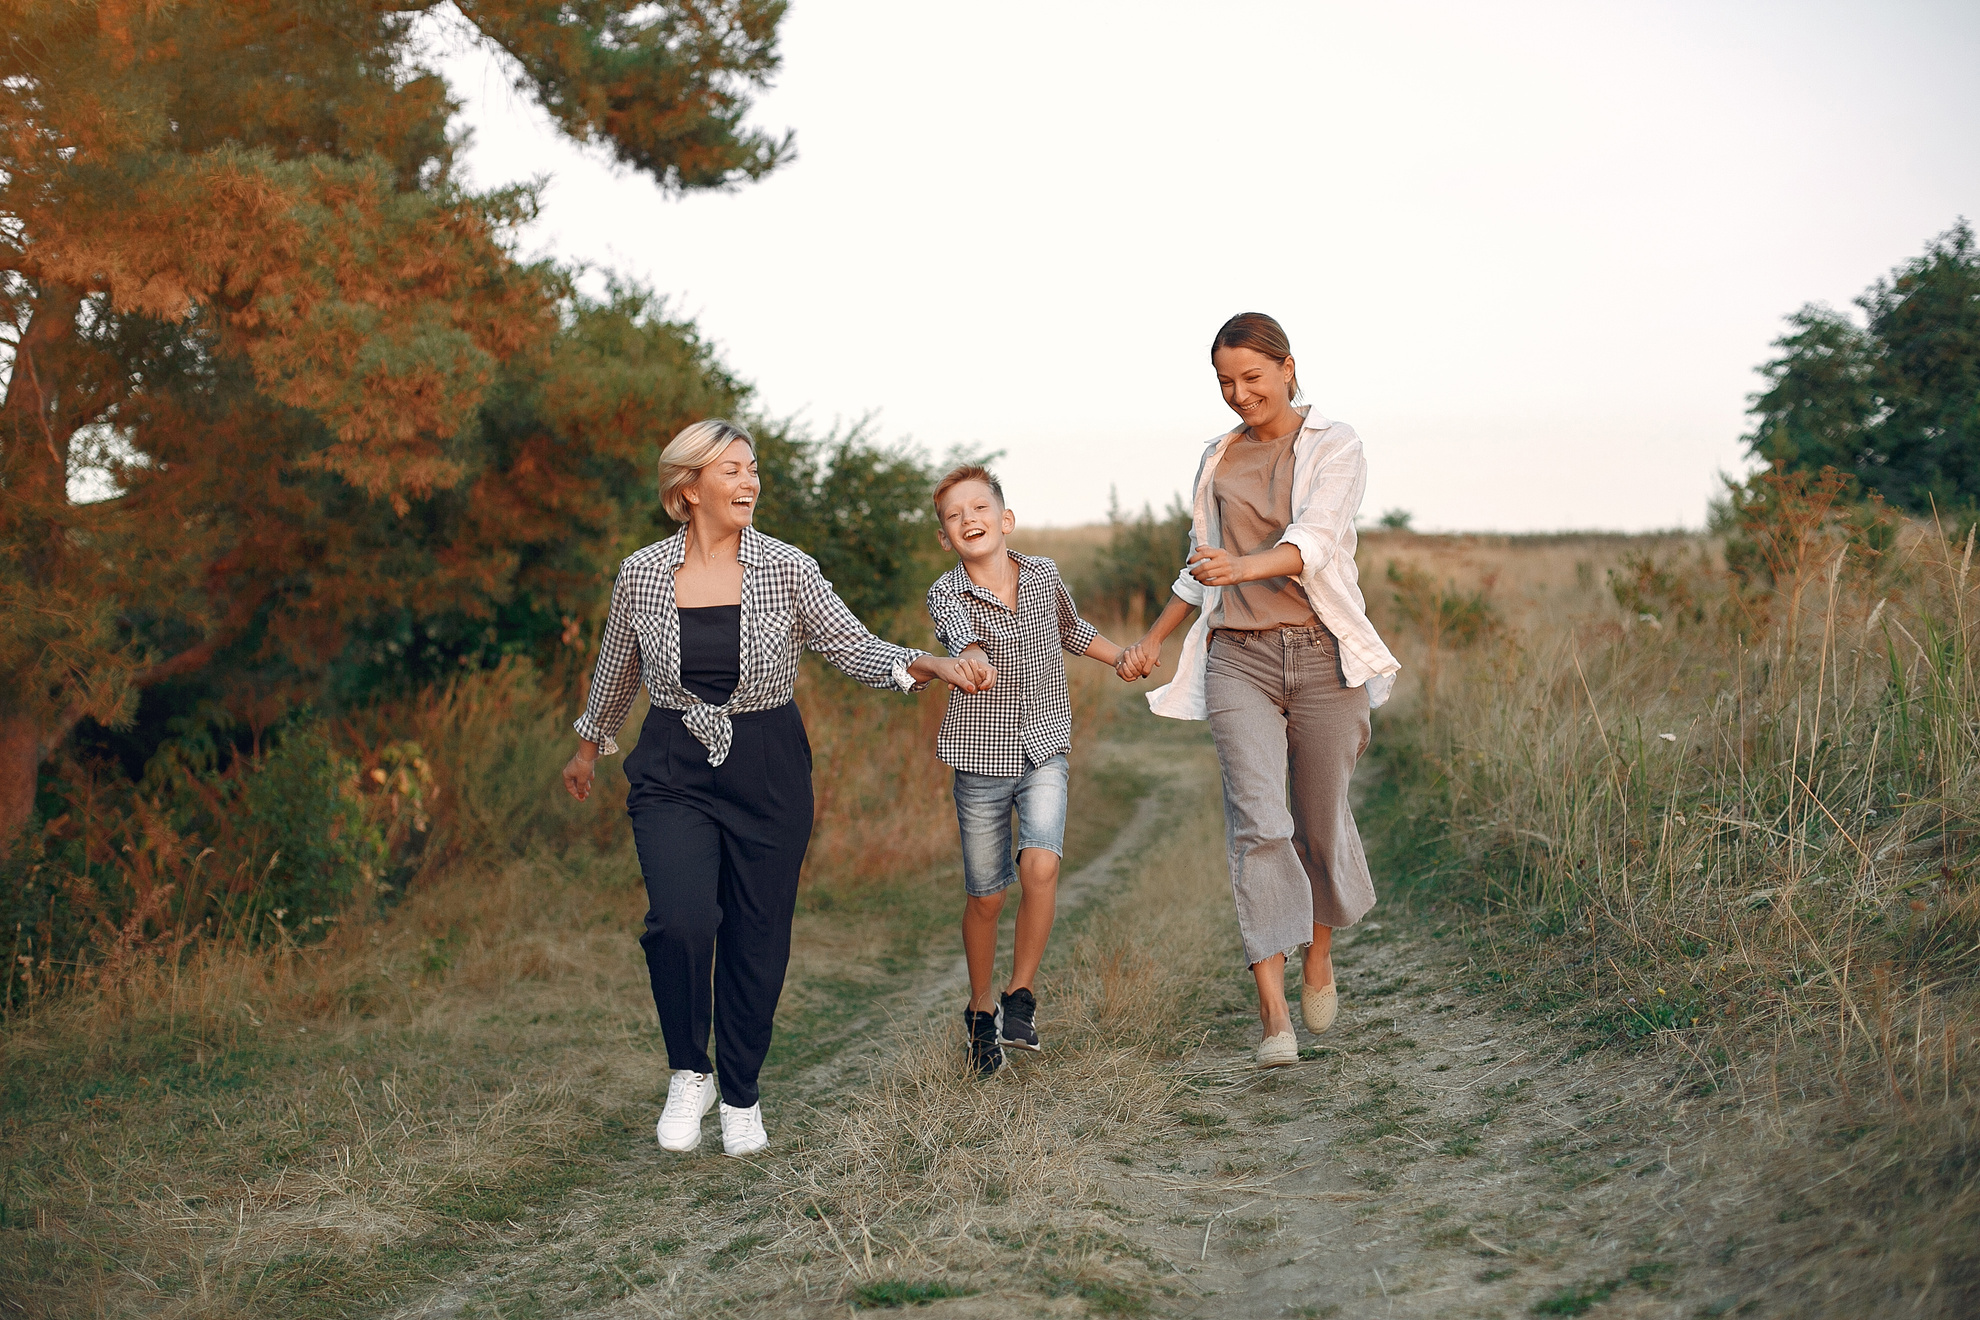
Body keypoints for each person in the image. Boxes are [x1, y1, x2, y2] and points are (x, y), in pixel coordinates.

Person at [562, 420, 993, 1157]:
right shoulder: (641, 573)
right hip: (672, 760)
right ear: (688, 487)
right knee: (682, 919)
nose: (749, 482)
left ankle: (740, 1095)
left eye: (753, 469)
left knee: (758, 935)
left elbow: (850, 643)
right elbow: (618, 666)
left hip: (766, 760)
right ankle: (689, 1070)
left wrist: (929, 662)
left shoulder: (787, 567)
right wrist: (588, 745)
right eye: (730, 470)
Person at [1118, 314, 1400, 1069]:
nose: (1239, 394)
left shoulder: (1336, 445)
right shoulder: (1217, 457)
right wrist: (1153, 637)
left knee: (1319, 819)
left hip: (1320, 655)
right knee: (1258, 823)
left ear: (1287, 368)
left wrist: (1240, 569)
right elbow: (1199, 562)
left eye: (1252, 377)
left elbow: (1315, 538)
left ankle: (1318, 955)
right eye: (1224, 382)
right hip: (1237, 657)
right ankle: (1273, 1018)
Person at [924, 465, 1131, 1076]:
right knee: (986, 897)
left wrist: (1119, 656)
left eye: (979, 508)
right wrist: (972, 656)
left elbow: (1072, 630)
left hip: (1045, 747)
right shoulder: (948, 592)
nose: (969, 520)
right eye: (954, 517)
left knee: (1041, 863)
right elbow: (961, 637)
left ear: (1005, 519)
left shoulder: (1043, 575)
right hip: (979, 761)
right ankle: (980, 1011)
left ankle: (1021, 996)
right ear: (946, 538)